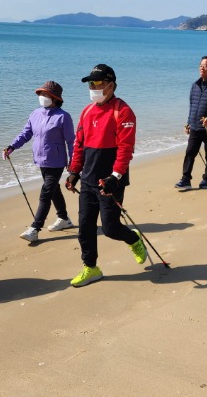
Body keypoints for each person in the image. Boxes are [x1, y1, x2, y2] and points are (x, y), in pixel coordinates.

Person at [65, 64, 146, 288]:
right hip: (89, 180)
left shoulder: (123, 111)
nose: (93, 87)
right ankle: (91, 268)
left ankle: (134, 239)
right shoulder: (86, 111)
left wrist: (115, 176)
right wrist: (73, 172)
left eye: (98, 83)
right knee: (85, 227)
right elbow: (78, 145)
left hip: (110, 181)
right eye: (91, 83)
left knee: (110, 228)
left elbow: (125, 148)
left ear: (110, 85)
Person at [4, 81, 75, 243]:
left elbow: (71, 141)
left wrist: (73, 163)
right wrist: (12, 147)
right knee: (53, 190)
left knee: (45, 194)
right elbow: (26, 133)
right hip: (41, 160)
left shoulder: (63, 117)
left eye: (46, 95)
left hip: (56, 162)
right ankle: (64, 219)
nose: (42, 97)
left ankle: (35, 228)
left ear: (55, 98)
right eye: (41, 94)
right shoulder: (35, 114)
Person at [176, 56, 207, 190]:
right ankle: (186, 179)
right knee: (190, 152)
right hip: (195, 126)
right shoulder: (195, 85)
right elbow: (192, 106)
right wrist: (188, 123)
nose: (201, 68)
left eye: (205, 65)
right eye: (200, 65)